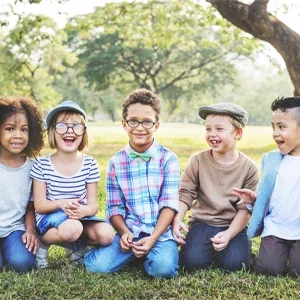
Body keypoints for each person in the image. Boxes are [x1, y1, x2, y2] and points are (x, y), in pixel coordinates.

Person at [84, 89, 181, 278]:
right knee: (96, 267)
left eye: (147, 122)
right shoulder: (115, 162)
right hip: (129, 232)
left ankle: (147, 256)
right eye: (133, 121)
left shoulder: (168, 159)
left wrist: (153, 239)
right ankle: (130, 253)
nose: (140, 127)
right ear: (124, 124)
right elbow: (113, 208)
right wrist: (124, 232)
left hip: (159, 234)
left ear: (157, 125)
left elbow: (169, 205)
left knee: (163, 269)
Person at [173, 102, 259, 272]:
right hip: (202, 222)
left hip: (232, 224)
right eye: (208, 129)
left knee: (235, 265)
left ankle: (239, 249)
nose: (212, 134)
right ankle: (208, 249)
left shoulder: (249, 167)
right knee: (192, 263)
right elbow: (185, 195)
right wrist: (177, 219)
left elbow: (245, 209)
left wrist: (229, 234)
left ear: (238, 133)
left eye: (219, 129)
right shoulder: (197, 161)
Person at [30, 100, 115, 269]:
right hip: (50, 217)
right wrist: (61, 203)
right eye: (62, 126)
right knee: (73, 228)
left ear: (84, 132)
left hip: (79, 216)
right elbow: (39, 206)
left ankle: (77, 247)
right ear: (53, 132)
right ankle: (43, 243)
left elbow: (92, 205)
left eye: (76, 126)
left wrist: (84, 210)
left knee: (107, 234)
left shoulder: (89, 164)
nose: (70, 131)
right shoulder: (41, 165)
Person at [232, 96, 300, 276]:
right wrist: (254, 199)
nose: (275, 133)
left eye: (282, 126)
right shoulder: (271, 160)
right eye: (273, 127)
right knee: (269, 270)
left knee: (297, 271)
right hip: (276, 228)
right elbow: (270, 196)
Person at [0, 96, 44, 272]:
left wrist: (31, 231)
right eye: (10, 129)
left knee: (22, 263)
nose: (18, 135)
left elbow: (31, 207)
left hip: (15, 229)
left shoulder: (33, 167)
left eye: (24, 130)